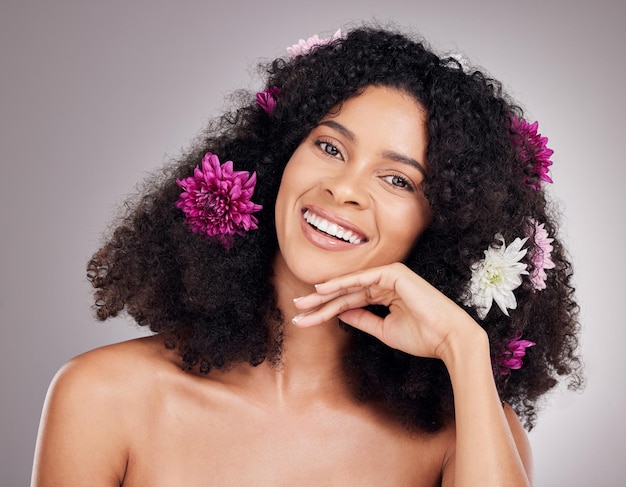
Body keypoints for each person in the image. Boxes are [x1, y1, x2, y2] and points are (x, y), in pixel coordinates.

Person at [31, 24, 582, 486]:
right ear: (277, 161)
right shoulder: (102, 398)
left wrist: (464, 345)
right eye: (329, 147)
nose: (345, 189)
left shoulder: (468, 432)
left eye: (397, 179)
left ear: (443, 231)